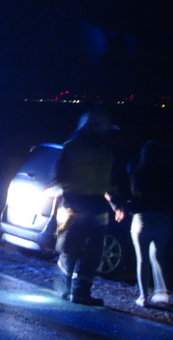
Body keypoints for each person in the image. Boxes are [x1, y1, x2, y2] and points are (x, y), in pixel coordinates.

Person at [52, 108, 125, 305]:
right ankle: (67, 290)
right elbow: (59, 180)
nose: (103, 131)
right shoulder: (74, 147)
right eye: (101, 128)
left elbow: (107, 182)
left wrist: (115, 204)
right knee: (71, 249)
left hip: (93, 206)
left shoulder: (103, 150)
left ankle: (79, 292)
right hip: (78, 205)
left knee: (91, 253)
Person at [129, 141, 173, 308]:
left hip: (143, 218)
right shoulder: (168, 174)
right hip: (162, 218)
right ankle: (161, 293)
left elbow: (134, 195)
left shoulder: (138, 172)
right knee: (157, 257)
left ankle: (143, 297)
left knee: (142, 260)